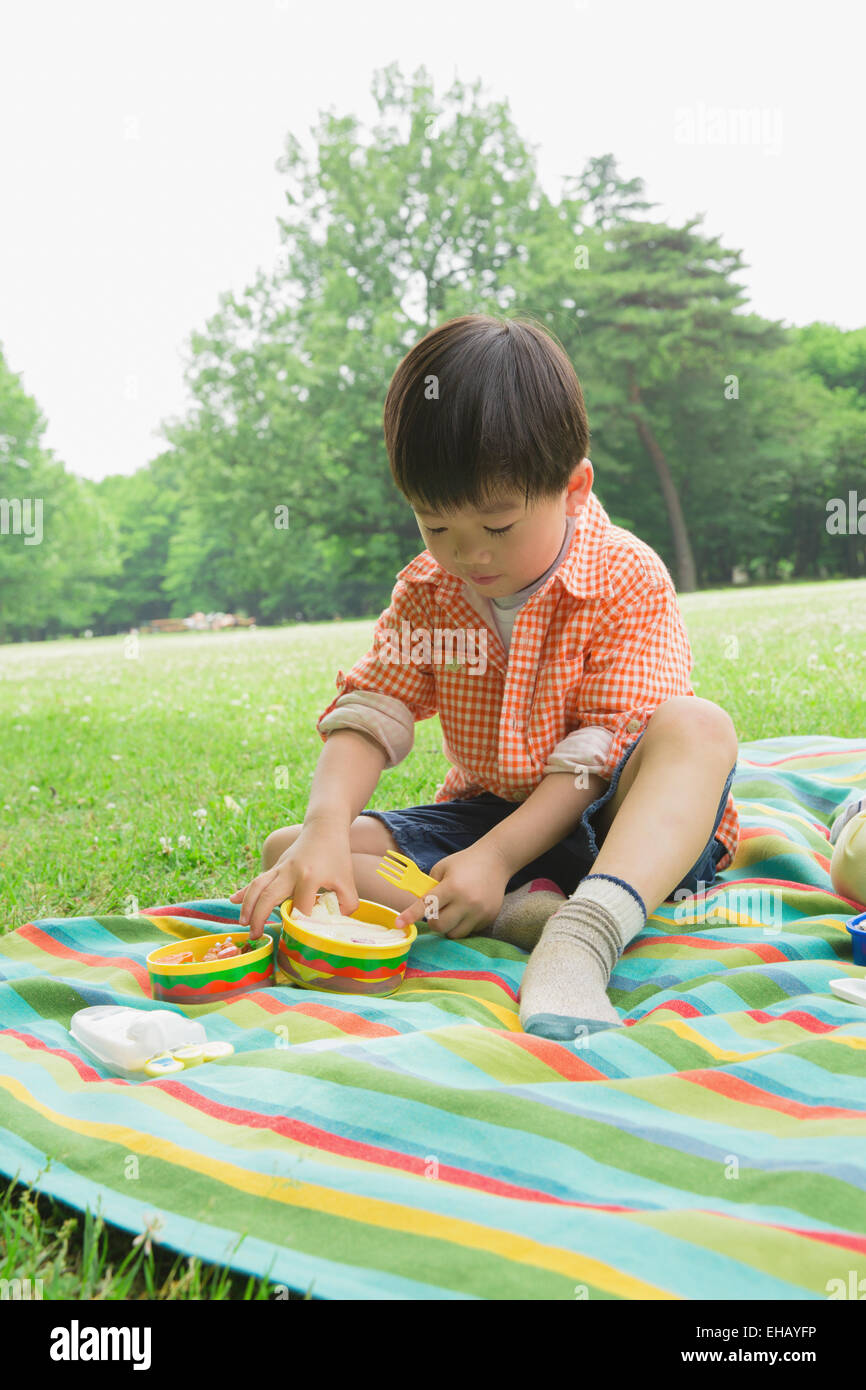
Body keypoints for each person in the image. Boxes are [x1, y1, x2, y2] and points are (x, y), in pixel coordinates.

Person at [230, 314, 740, 1041]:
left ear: (573, 486)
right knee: (297, 850)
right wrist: (325, 825)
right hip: (492, 816)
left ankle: (581, 936)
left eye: (497, 526)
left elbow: (594, 760)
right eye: (435, 526)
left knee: (697, 725)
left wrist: (496, 856)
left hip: (619, 822)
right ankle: (511, 910)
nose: (468, 555)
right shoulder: (428, 591)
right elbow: (371, 712)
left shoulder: (625, 577)